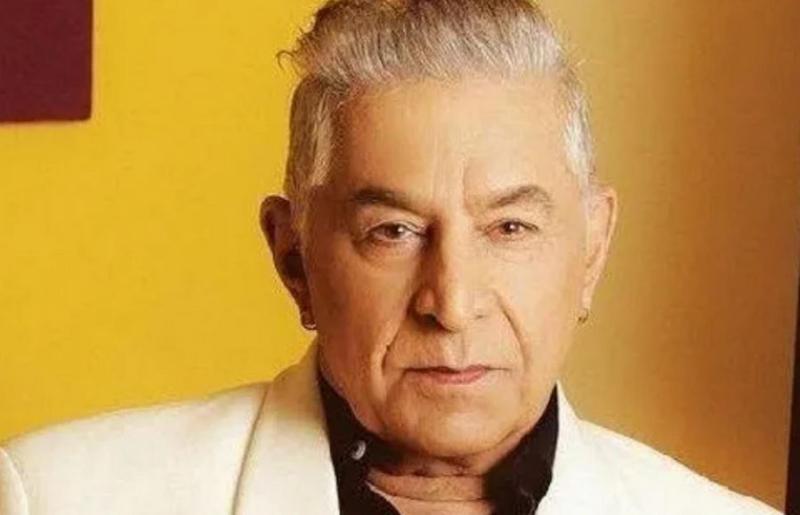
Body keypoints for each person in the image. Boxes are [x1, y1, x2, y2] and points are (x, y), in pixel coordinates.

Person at [0, 1, 783, 514]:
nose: (452, 301)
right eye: (395, 231)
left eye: (510, 227)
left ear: (592, 250)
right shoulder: (60, 496)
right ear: (293, 258)